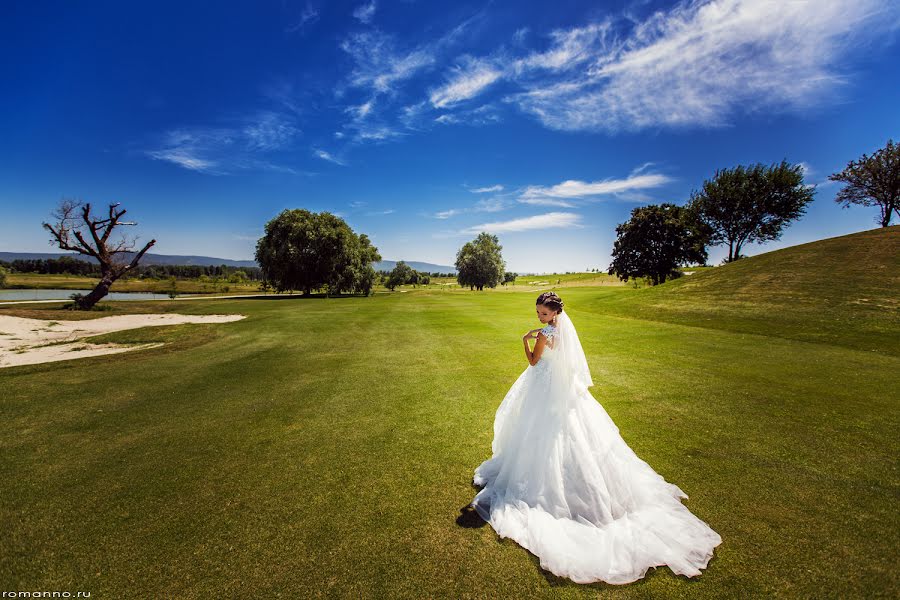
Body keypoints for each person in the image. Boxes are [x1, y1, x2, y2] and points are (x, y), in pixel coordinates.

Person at [470, 291, 722, 585]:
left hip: (543, 387)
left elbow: (534, 363)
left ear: (554, 313)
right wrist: (541, 331)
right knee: (570, 435)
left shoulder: (543, 335)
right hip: (562, 391)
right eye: (538, 313)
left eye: (543, 313)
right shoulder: (560, 330)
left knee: (540, 434)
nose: (540, 317)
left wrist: (525, 341)